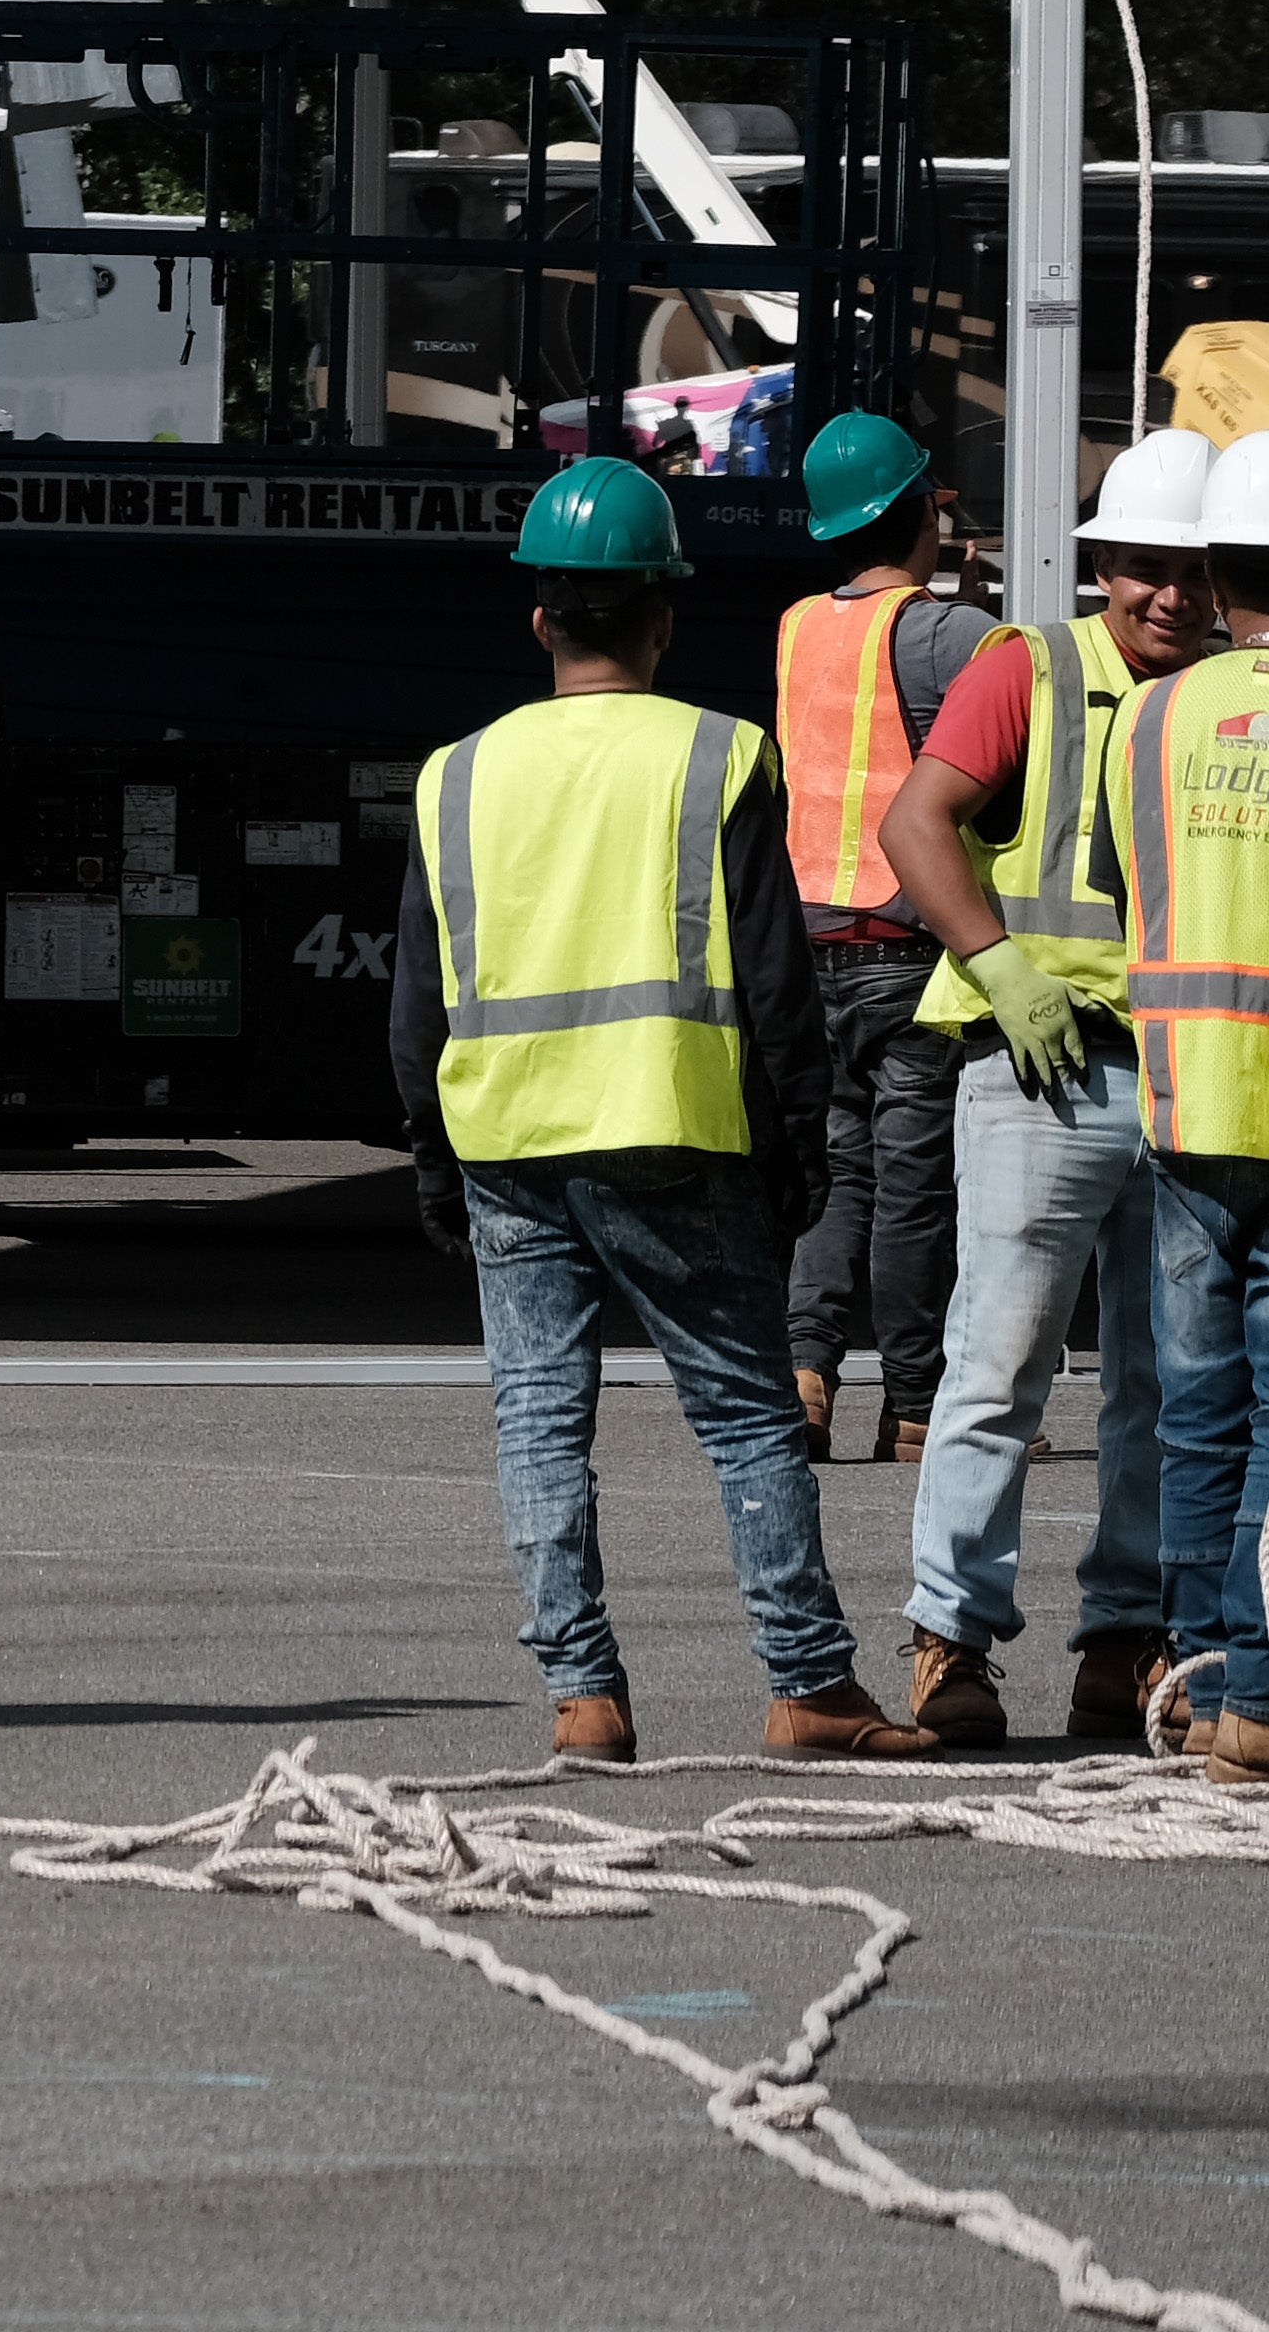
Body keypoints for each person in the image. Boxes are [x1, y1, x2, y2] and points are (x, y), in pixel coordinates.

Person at [392, 458, 928, 1761]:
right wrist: (797, 1147)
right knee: (747, 1415)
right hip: (676, 1134)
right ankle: (806, 1683)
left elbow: (420, 991)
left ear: (540, 619)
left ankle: (584, 1695)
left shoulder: (454, 774)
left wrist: (429, 1152)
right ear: (664, 617)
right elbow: (774, 979)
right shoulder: (718, 757)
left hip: (508, 1139)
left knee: (537, 1416)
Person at [884, 422, 1218, 1747]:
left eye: (1193, 570)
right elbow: (917, 822)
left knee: (1164, 1380)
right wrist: (1000, 966)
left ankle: (1124, 1644)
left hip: (1189, 1077)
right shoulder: (1032, 666)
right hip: (1043, 1065)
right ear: (1103, 568)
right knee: (1002, 1363)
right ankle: (949, 1642)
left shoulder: (1226, 695)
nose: (1169, 595)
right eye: (1144, 567)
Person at [778, 412, 986, 1463]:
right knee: (913, 1183)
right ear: (920, 512)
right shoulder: (952, 632)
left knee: (836, 1169)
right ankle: (913, 1407)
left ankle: (806, 1372)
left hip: (813, 942)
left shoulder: (796, 625)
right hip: (913, 950)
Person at [1119, 433, 1269, 1777]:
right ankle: (1261, 1698)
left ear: (1216, 571)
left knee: (1196, 1407)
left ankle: (1195, 1673)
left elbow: (1139, 884)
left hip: (1182, 1105)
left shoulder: (1154, 715)